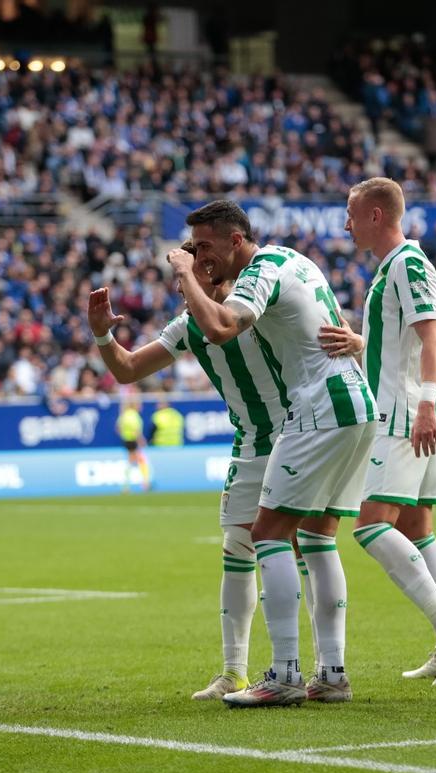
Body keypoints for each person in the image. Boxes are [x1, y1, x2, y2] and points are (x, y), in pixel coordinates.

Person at [88, 242, 362, 701]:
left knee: (305, 543)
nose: (186, 283)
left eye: (197, 272)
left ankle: (314, 670)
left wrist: (358, 340)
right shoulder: (189, 326)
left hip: (297, 428)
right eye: (184, 278)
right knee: (239, 547)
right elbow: (129, 368)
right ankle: (235, 671)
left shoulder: (249, 309)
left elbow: (306, 322)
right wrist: (101, 337)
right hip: (251, 443)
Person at [167, 200, 377, 707]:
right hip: (356, 404)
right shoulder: (296, 261)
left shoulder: (259, 272)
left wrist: (184, 275)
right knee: (319, 539)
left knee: (267, 533)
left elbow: (220, 327)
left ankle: (284, 674)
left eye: (205, 246)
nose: (198, 255)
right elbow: (337, 329)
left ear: (236, 240)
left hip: (318, 409)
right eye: (192, 249)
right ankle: (332, 674)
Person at [326, 177, 436, 687]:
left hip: (404, 414)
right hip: (416, 409)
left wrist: (427, 405)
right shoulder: (393, 268)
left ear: (375, 215)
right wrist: (361, 343)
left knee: (370, 526)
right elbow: (403, 342)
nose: (345, 224)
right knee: (417, 528)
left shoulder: (408, 263)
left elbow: (433, 334)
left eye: (351, 214)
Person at [116, 398, 151, 492]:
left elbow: (118, 428)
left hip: (126, 440)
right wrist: (141, 440)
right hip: (134, 441)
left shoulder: (124, 415)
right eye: (139, 405)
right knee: (142, 461)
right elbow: (136, 430)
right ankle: (145, 484)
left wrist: (124, 435)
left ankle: (126, 486)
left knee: (130, 462)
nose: (141, 407)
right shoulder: (134, 416)